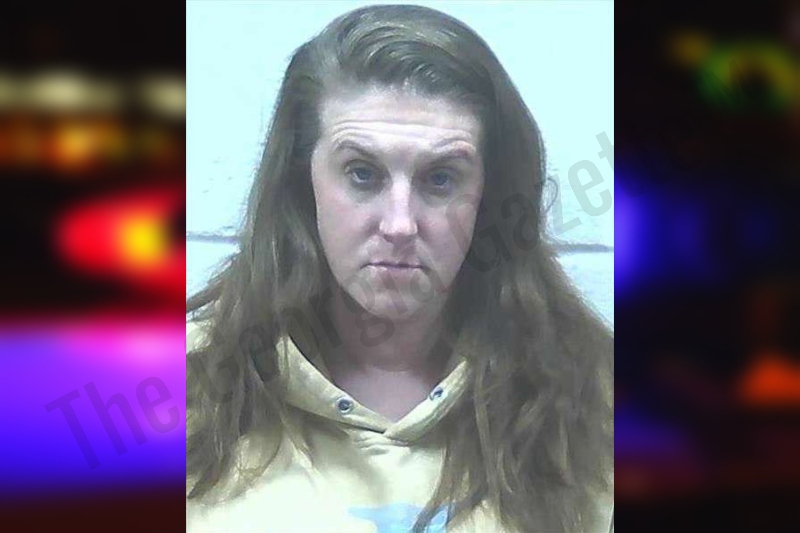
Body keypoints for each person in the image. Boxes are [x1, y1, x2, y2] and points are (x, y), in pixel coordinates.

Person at [186, 5, 613, 532]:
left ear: (489, 195)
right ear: (302, 182)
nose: (400, 224)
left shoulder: (598, 399)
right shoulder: (178, 391)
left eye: (441, 179)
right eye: (362, 174)